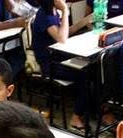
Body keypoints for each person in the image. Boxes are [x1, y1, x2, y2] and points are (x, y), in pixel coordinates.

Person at [32, 0, 93, 131]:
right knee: (85, 75)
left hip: (59, 57)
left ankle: (92, 110)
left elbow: (65, 32)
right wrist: (65, 11)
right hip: (49, 64)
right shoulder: (44, 15)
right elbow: (62, 38)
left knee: (92, 67)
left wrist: (84, 21)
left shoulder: (53, 11)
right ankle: (76, 118)